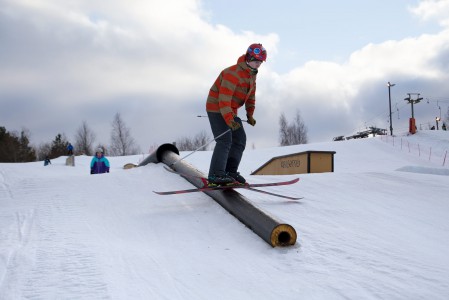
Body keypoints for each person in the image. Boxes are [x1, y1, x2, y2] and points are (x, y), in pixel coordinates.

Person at [205, 43, 266, 185]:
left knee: (239, 139)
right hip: (216, 107)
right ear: (248, 58)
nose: (258, 65)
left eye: (260, 62)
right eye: (256, 61)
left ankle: (229, 172)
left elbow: (250, 97)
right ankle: (215, 175)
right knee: (225, 139)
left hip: (230, 110)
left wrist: (250, 115)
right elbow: (224, 98)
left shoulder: (251, 76)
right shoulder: (233, 73)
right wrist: (229, 119)